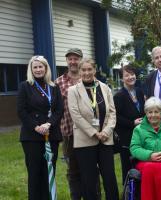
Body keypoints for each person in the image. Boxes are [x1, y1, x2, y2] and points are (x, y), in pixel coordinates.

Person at [68, 58, 119, 200]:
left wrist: (106, 132)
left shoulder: (105, 88)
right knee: (89, 180)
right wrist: (94, 133)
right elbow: (76, 116)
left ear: (94, 70)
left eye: (89, 69)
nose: (87, 73)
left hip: (105, 139)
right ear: (79, 72)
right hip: (85, 140)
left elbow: (113, 113)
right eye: (83, 70)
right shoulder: (73, 91)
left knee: (109, 177)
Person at [17, 55, 63, 200]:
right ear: (31, 69)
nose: (38, 69)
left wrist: (49, 123)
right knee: (35, 173)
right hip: (32, 137)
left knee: (49, 171)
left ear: (46, 68)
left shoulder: (54, 87)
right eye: (35, 67)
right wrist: (36, 127)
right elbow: (21, 111)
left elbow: (59, 110)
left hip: (51, 134)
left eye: (40, 66)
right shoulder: (24, 86)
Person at [55, 48, 84, 199]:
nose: (73, 62)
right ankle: (75, 196)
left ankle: (93, 195)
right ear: (66, 61)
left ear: (81, 60)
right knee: (72, 169)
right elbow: (53, 108)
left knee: (89, 167)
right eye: (70, 59)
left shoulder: (87, 79)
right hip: (68, 132)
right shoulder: (58, 82)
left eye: (76, 58)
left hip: (87, 133)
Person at [113, 64, 145, 184]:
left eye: (132, 74)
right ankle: (128, 192)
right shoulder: (119, 96)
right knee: (128, 167)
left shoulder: (139, 92)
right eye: (127, 75)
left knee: (140, 165)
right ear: (122, 78)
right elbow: (115, 117)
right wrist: (132, 123)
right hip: (127, 137)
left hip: (141, 135)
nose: (130, 77)